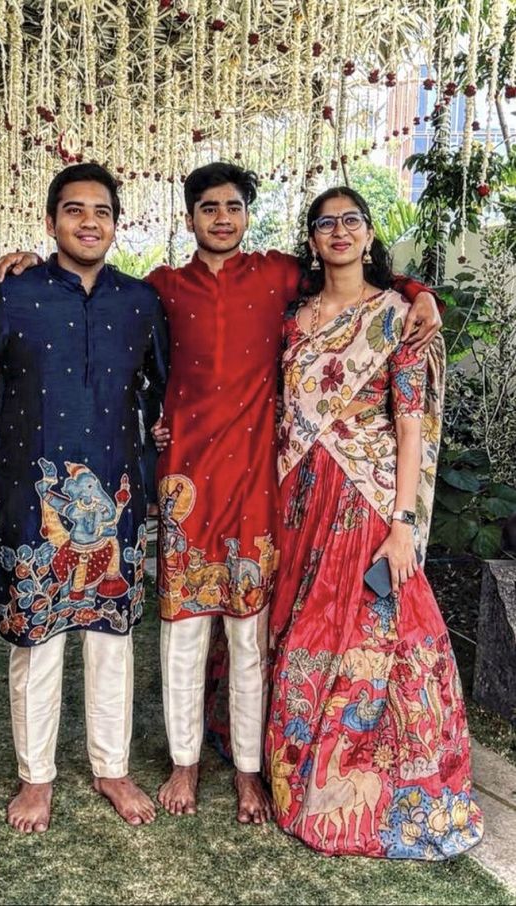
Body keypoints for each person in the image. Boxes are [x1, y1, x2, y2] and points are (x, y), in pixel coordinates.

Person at [0, 161, 441, 825]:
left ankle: (250, 775)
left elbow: (349, 271)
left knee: (250, 637)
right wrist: (23, 264)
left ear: (247, 215)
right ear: (188, 216)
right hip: (182, 489)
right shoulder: (159, 291)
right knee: (180, 635)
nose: (221, 218)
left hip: (257, 487)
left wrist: (415, 288)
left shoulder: (275, 279)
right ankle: (182, 763)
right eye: (207, 208)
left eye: (232, 206)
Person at [264, 186, 483, 858]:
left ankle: (371, 777)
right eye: (324, 223)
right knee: (297, 622)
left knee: (373, 625)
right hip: (298, 496)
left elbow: (409, 426)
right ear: (310, 239)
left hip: (368, 498)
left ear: (367, 235)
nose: (337, 232)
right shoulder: (292, 319)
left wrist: (401, 522)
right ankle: (288, 761)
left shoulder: (397, 317)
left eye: (349, 221)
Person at [0, 163, 168, 834]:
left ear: (117, 223)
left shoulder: (140, 302)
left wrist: (145, 469)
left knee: (111, 636)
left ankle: (110, 767)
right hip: (33, 494)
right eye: (74, 210)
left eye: (102, 211)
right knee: (37, 638)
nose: (89, 222)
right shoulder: (14, 292)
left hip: (116, 490)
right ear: (50, 219)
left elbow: (161, 394)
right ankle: (37, 779)